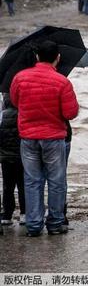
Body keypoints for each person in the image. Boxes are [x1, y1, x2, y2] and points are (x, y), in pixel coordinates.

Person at [10, 41, 79, 236]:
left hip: (28, 137)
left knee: (32, 181)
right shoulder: (62, 82)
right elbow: (70, 113)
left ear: (37, 57)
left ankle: (33, 225)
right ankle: (55, 224)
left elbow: (15, 102)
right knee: (56, 181)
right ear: (58, 57)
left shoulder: (20, 78)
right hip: (54, 138)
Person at [0, 93, 25, 226]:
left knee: (7, 187)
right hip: (21, 157)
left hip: (5, 158)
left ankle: (7, 215)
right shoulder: (23, 115)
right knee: (22, 186)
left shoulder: (2, 115)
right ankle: (24, 214)